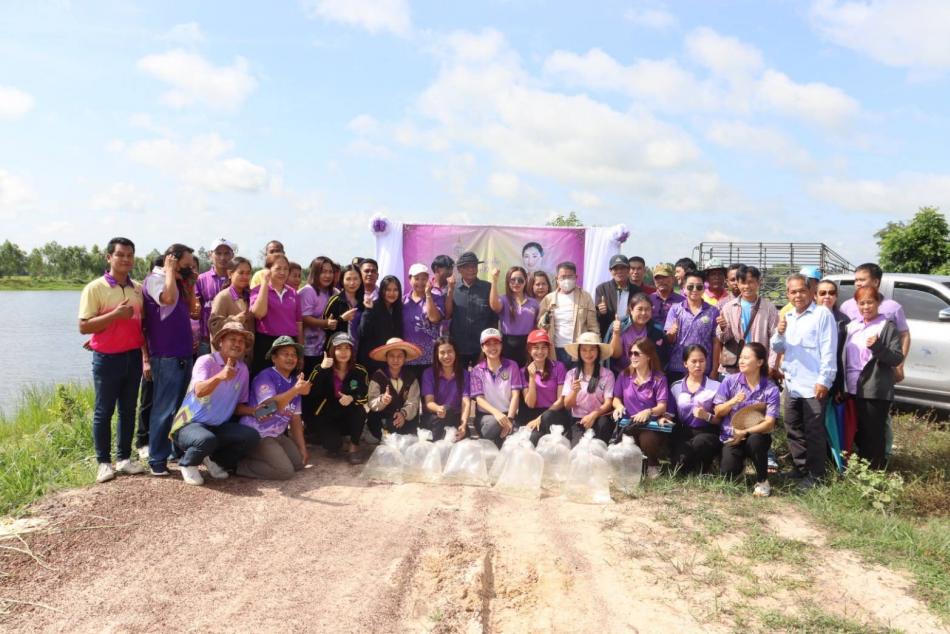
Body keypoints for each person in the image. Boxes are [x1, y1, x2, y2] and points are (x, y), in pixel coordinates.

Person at [78, 237, 148, 483]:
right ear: (109, 257)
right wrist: (115, 315)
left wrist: (146, 357)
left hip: (132, 356)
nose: (126, 259)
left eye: (130, 255)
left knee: (129, 410)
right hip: (107, 359)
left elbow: (143, 325)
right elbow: (84, 326)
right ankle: (103, 462)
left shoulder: (138, 288)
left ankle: (125, 459)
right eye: (120, 255)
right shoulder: (94, 288)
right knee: (103, 411)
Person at [169, 321, 261, 486]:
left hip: (217, 426)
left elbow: (238, 406)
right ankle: (187, 463)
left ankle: (213, 460)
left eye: (241, 341)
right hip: (189, 424)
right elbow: (199, 391)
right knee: (206, 440)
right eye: (232, 339)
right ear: (221, 342)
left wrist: (254, 411)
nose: (237, 344)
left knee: (251, 437)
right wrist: (220, 376)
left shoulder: (243, 369)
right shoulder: (206, 361)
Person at [771, 274, 838, 489]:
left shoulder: (822, 315)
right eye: (793, 291)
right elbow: (778, 348)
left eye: (801, 290)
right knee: (793, 428)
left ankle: (816, 476)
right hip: (792, 384)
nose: (797, 295)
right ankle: (801, 469)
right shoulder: (788, 316)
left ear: (810, 291)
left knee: (814, 432)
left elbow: (829, 350)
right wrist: (779, 333)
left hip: (813, 384)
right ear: (788, 294)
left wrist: (824, 380)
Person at [143, 244, 198, 476]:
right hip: (166, 355)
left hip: (183, 352)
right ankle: (157, 458)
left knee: (179, 409)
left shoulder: (176, 281)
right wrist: (169, 272)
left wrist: (189, 281)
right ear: (171, 261)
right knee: (164, 409)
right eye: (186, 265)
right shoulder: (156, 280)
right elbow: (167, 299)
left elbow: (192, 308)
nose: (189, 269)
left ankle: (175, 451)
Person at [842, 287, 904, 469]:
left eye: (870, 302)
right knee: (858, 434)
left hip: (874, 389)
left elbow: (896, 357)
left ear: (878, 303)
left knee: (873, 435)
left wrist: (877, 346)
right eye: (862, 303)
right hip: (851, 389)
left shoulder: (887, 326)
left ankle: (874, 473)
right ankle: (859, 470)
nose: (866, 307)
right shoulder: (852, 326)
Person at [235, 336, 312, 480]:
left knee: (299, 463)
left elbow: (295, 418)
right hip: (258, 434)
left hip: (277, 435)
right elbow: (268, 408)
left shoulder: (295, 382)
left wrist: (303, 448)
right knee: (285, 472)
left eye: (293, 354)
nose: (290, 358)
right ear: (274, 358)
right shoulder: (266, 376)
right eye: (285, 354)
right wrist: (295, 390)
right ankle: (238, 465)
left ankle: (268, 458)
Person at [713, 343, 780, 497]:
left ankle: (763, 481)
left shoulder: (771, 388)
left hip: (755, 435)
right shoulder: (730, 381)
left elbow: (769, 423)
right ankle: (739, 465)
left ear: (760, 362)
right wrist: (732, 402)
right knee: (727, 472)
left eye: (746, 358)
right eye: (741, 357)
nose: (741, 361)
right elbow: (718, 411)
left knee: (756, 441)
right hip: (732, 436)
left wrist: (745, 431)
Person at [839, 263, 910, 385]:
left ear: (876, 282)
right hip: (851, 375)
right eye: (856, 280)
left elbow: (904, 335)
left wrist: (899, 365)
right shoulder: (847, 306)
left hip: (879, 375)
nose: (858, 283)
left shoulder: (893, 307)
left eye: (862, 280)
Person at [611, 338, 669, 479]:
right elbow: (616, 398)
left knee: (647, 438)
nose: (632, 357)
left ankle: (652, 464)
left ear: (648, 356)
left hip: (650, 426)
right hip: (628, 425)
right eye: (630, 353)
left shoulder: (659, 378)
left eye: (637, 353)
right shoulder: (624, 375)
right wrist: (618, 406)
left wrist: (648, 411)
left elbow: (662, 406)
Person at [308, 332, 368, 464]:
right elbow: (311, 393)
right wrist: (322, 370)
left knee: (360, 410)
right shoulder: (321, 368)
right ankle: (328, 437)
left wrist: (352, 398)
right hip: (328, 413)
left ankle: (354, 446)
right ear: (332, 350)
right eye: (339, 348)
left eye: (347, 348)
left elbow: (365, 395)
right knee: (333, 447)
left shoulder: (359, 371)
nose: (343, 352)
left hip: (349, 410)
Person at [716, 264, 779, 377]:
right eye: (743, 282)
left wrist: (771, 365)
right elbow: (724, 338)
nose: (747, 286)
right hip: (734, 369)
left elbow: (775, 339)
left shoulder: (769, 308)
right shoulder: (729, 307)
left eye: (751, 282)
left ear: (758, 283)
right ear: (738, 284)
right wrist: (722, 327)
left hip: (758, 367)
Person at [250, 253, 304, 376]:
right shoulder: (257, 290)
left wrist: (300, 353)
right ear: (268, 270)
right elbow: (259, 313)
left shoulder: (293, 294)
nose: (282, 272)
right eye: (278, 268)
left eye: (285, 269)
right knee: (264, 383)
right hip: (267, 344)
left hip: (290, 345)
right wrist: (264, 283)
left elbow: (299, 324)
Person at [670, 345, 721, 474]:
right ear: (685, 364)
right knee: (680, 464)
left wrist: (706, 416)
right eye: (694, 361)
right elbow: (670, 413)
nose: (698, 365)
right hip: (684, 431)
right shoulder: (675, 387)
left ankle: (706, 466)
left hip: (708, 431)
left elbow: (721, 420)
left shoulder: (716, 386)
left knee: (700, 443)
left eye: (702, 361)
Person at [469, 328, 524, 447]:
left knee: (519, 440)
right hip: (487, 418)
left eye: (496, 343)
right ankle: (490, 441)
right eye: (488, 344)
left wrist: (509, 419)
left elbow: (515, 395)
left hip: (508, 415)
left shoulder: (512, 365)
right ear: (482, 347)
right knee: (495, 423)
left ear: (501, 345)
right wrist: (497, 414)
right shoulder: (476, 370)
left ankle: (498, 442)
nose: (492, 348)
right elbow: (479, 399)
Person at [664, 270, 721, 384]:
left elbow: (716, 342)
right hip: (678, 367)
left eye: (699, 287)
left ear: (704, 289)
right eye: (690, 287)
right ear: (684, 289)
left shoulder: (713, 311)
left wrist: (714, 369)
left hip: (704, 368)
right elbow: (669, 340)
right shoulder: (675, 310)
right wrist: (671, 333)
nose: (694, 290)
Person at [538, 261, 599, 365]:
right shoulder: (548, 299)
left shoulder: (585, 297)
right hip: (555, 350)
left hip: (578, 350)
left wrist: (596, 347)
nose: (566, 280)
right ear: (557, 279)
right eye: (562, 277)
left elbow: (593, 327)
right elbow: (541, 325)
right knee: (559, 380)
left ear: (576, 277)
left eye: (569, 277)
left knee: (576, 380)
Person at [563, 332, 616, 446]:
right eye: (584, 350)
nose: (588, 353)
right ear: (579, 352)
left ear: (598, 351)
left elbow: (608, 403)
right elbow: (567, 405)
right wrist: (574, 391)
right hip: (578, 420)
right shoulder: (571, 374)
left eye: (592, 349)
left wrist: (593, 415)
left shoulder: (607, 374)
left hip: (600, 418)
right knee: (578, 450)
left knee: (598, 445)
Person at [518, 330, 569, 444]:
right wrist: (531, 378)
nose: (540, 351)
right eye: (536, 347)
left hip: (554, 412)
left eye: (543, 347)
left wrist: (541, 417)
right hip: (533, 412)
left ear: (548, 349)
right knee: (528, 438)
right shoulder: (523, 371)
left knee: (538, 435)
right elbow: (530, 404)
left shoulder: (558, 367)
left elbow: (561, 401)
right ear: (529, 349)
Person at [366, 338, 422, 438]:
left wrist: (403, 414)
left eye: (400, 356)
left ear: (405, 358)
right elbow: (371, 402)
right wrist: (382, 400)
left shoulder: (411, 377)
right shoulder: (378, 376)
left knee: (407, 430)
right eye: (391, 356)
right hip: (383, 416)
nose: (395, 360)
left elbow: (413, 402)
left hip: (404, 417)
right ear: (386, 358)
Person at [449, 251, 496, 369]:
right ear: (459, 269)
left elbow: (493, 320)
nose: (472, 269)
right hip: (458, 349)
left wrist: (486, 348)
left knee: (482, 383)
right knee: (460, 383)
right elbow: (447, 315)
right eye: (467, 267)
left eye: (474, 266)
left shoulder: (488, 288)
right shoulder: (452, 289)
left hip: (482, 348)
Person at [421, 337, 471, 442]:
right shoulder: (428, 374)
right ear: (436, 355)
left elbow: (465, 402)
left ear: (455, 353)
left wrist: (463, 424)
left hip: (455, 417)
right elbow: (429, 402)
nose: (446, 356)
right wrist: (439, 408)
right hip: (434, 417)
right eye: (442, 353)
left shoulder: (465, 374)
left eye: (450, 352)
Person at [489, 265, 539, 367]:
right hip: (508, 345)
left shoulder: (534, 302)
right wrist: (494, 281)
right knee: (509, 376)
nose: (516, 283)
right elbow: (494, 306)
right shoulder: (504, 299)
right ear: (508, 281)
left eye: (520, 280)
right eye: (513, 280)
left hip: (528, 345)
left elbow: (538, 324)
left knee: (526, 375)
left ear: (525, 281)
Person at [209, 256, 255, 366]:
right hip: (225, 361)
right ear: (230, 274)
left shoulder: (250, 297)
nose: (245, 276)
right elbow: (213, 326)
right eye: (241, 273)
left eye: (248, 273)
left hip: (246, 359)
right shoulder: (223, 297)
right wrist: (234, 320)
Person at [194, 238, 235, 356]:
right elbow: (195, 311)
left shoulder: (238, 279)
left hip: (233, 340)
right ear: (210, 255)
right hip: (206, 340)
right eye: (218, 253)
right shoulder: (201, 280)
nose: (223, 257)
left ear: (232, 255)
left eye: (227, 253)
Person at [608, 293, 667, 374]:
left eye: (647, 309)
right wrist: (616, 333)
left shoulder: (656, 330)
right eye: (639, 309)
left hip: (646, 375)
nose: (643, 313)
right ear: (631, 310)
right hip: (621, 375)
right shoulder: (620, 325)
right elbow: (615, 355)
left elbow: (659, 359)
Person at [402, 263, 444, 376]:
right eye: (416, 278)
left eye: (424, 279)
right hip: (409, 358)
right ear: (409, 279)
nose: (420, 282)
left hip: (431, 358)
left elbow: (435, 318)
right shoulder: (402, 301)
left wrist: (428, 295)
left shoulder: (437, 298)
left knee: (430, 392)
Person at [358, 275, 403, 373]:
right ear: (382, 291)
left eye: (395, 290)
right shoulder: (373, 306)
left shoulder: (398, 309)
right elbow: (363, 332)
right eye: (388, 290)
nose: (392, 293)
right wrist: (368, 311)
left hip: (389, 362)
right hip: (370, 361)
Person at [594, 254, 639, 337]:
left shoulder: (637, 291)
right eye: (615, 268)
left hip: (630, 334)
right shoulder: (602, 289)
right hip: (608, 333)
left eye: (622, 268)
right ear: (610, 271)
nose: (619, 271)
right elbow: (595, 316)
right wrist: (600, 311)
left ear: (628, 269)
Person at [323, 263, 363, 350]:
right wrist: (341, 319)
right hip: (339, 351)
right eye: (348, 279)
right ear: (342, 281)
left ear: (361, 280)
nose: (352, 283)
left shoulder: (365, 301)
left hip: (360, 351)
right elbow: (325, 326)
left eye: (356, 279)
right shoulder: (335, 301)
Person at [648, 263, 684, 328]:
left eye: (664, 277)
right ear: (654, 280)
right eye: (658, 278)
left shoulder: (682, 301)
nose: (661, 281)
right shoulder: (648, 300)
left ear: (672, 279)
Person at [430, 254, 456, 335]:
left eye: (452, 269)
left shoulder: (455, 287)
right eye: (448, 268)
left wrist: (451, 289)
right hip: (428, 336)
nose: (450, 272)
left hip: (448, 337)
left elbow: (448, 315)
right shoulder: (427, 287)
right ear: (436, 269)